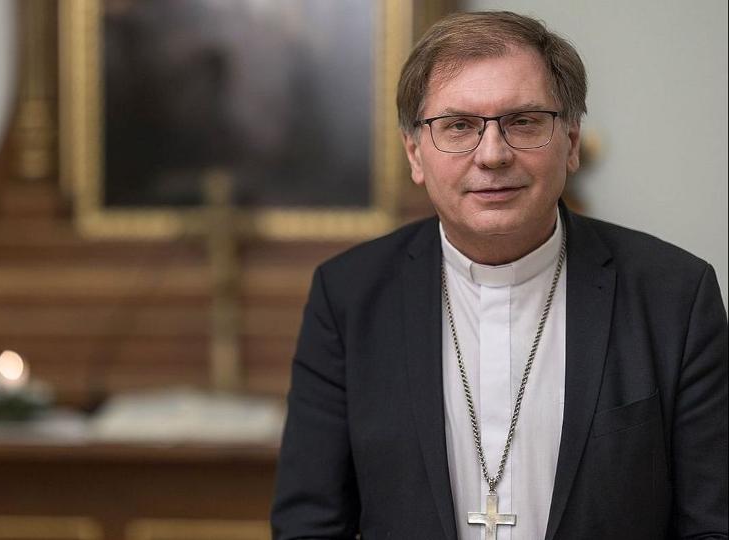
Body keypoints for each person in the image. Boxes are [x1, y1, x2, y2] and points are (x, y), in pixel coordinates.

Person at [271, 10, 728, 540]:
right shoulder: (348, 298)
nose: (492, 155)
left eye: (524, 121)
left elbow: (713, 525)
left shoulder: (676, 297)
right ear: (415, 153)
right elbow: (309, 525)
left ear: (571, 142)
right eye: (458, 126)